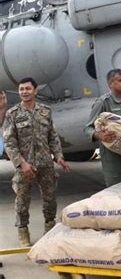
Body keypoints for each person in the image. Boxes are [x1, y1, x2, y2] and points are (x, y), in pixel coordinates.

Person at [3, 77, 70, 247]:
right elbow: (9, 143)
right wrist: (21, 163)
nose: (24, 92)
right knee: (22, 200)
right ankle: (23, 231)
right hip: (25, 166)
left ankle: (50, 228)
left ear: (35, 91)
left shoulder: (45, 111)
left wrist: (59, 156)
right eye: (21, 89)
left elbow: (53, 136)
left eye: (27, 89)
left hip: (45, 163)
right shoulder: (13, 114)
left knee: (50, 198)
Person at [84, 69, 121, 187]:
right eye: (120, 80)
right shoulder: (104, 102)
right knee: (117, 190)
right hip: (113, 158)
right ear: (111, 84)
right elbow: (87, 128)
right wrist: (99, 135)